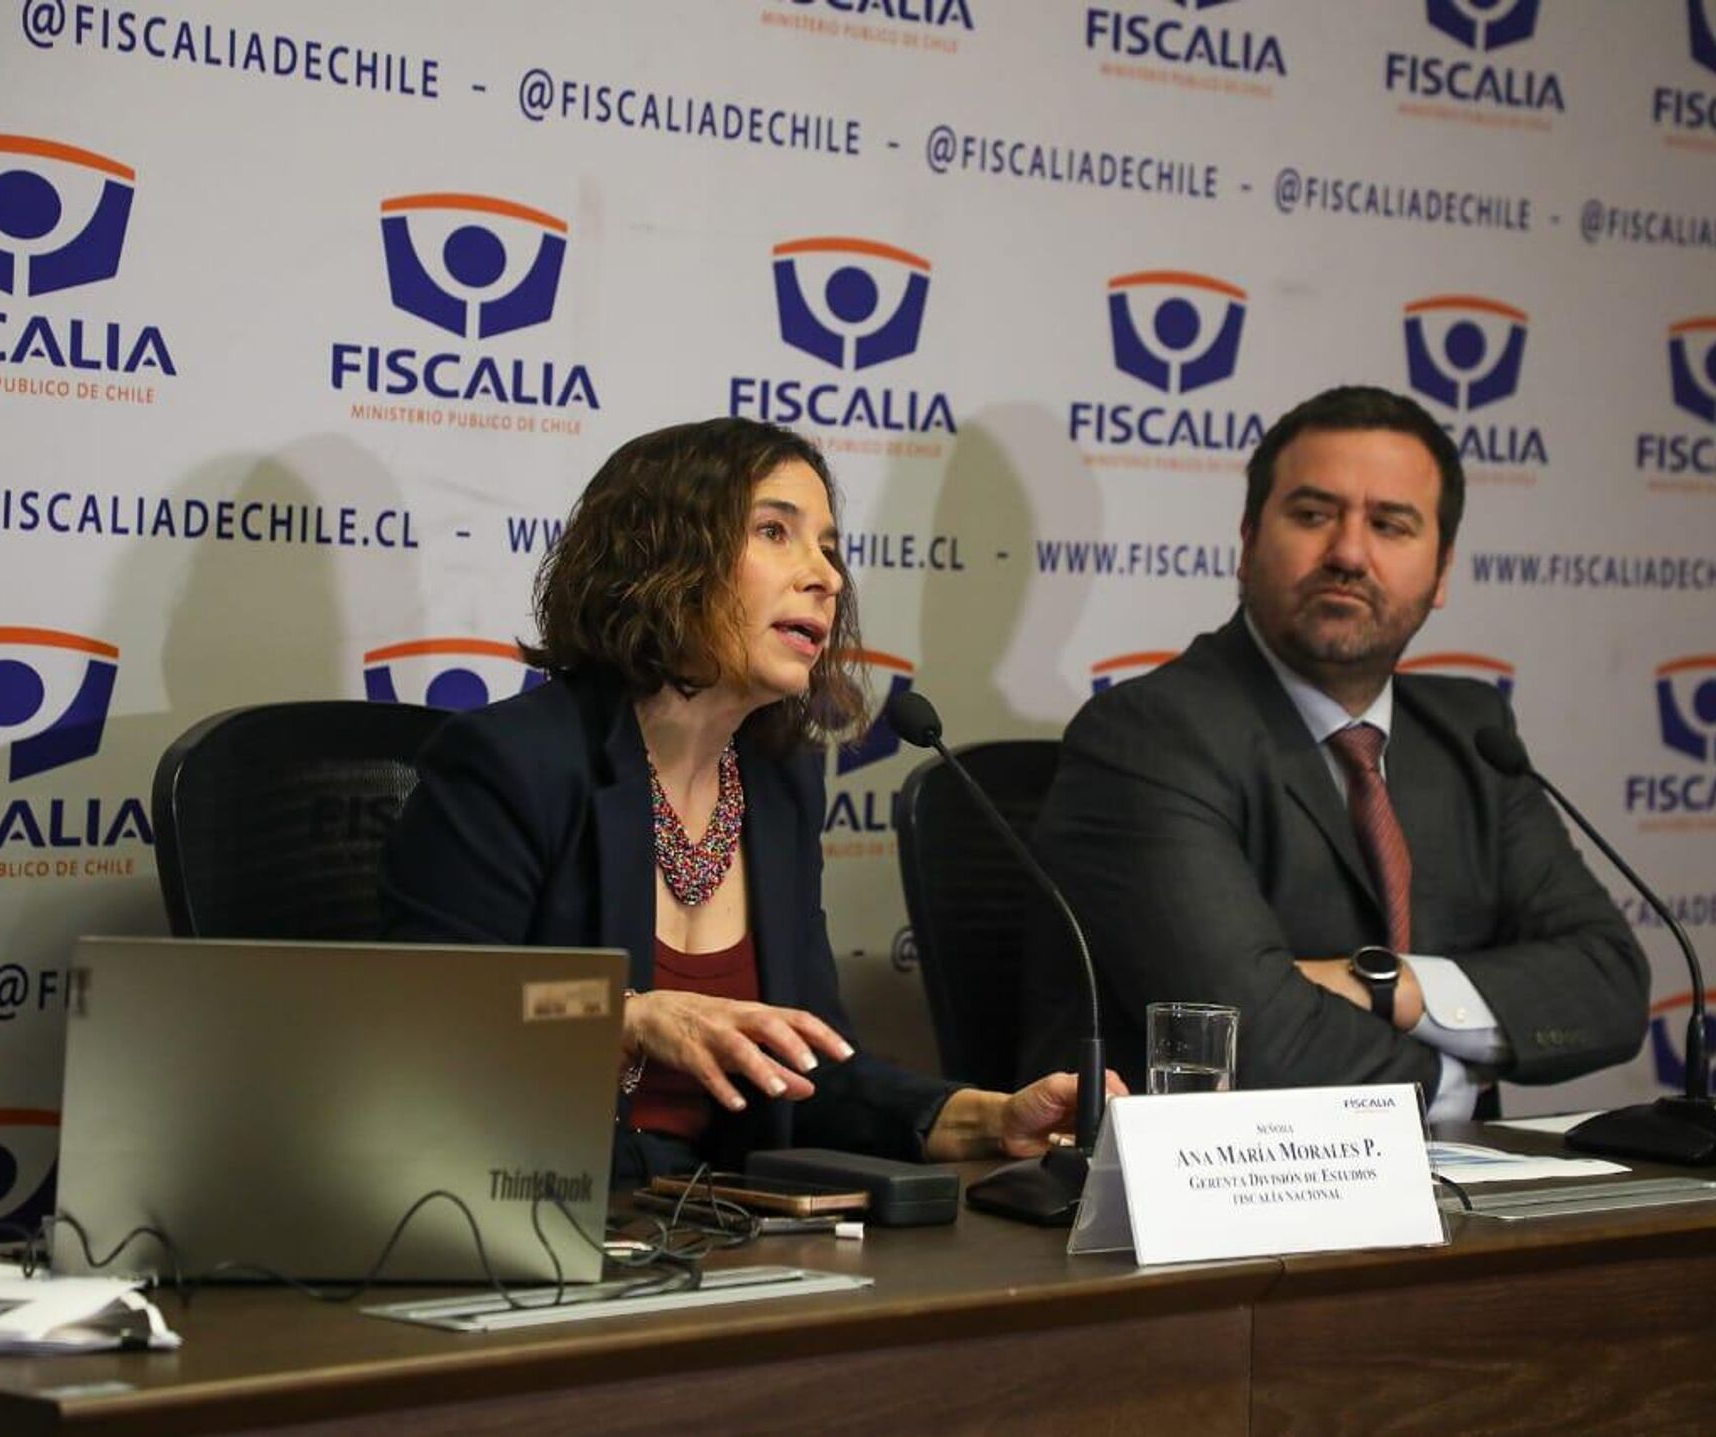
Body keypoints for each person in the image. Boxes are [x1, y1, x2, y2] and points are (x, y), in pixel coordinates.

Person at [382, 416, 1118, 1182]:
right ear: (662, 557)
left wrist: (990, 1118)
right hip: (538, 1206)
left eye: (828, 547)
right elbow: (429, 1015)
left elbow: (810, 1071)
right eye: (775, 531)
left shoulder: (777, 781)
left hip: (722, 1222)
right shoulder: (514, 762)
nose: (827, 577)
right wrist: (623, 1018)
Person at [1020, 385, 1648, 1118]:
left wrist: (1384, 984)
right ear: (1248, 540)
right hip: (1217, 1182)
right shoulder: (1148, 736)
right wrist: (1461, 1076)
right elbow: (1251, 1041)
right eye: (1314, 515)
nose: (1349, 553)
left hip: (1452, 1186)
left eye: (1390, 524)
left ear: (1442, 571)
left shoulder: (1473, 735)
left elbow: (1610, 985)